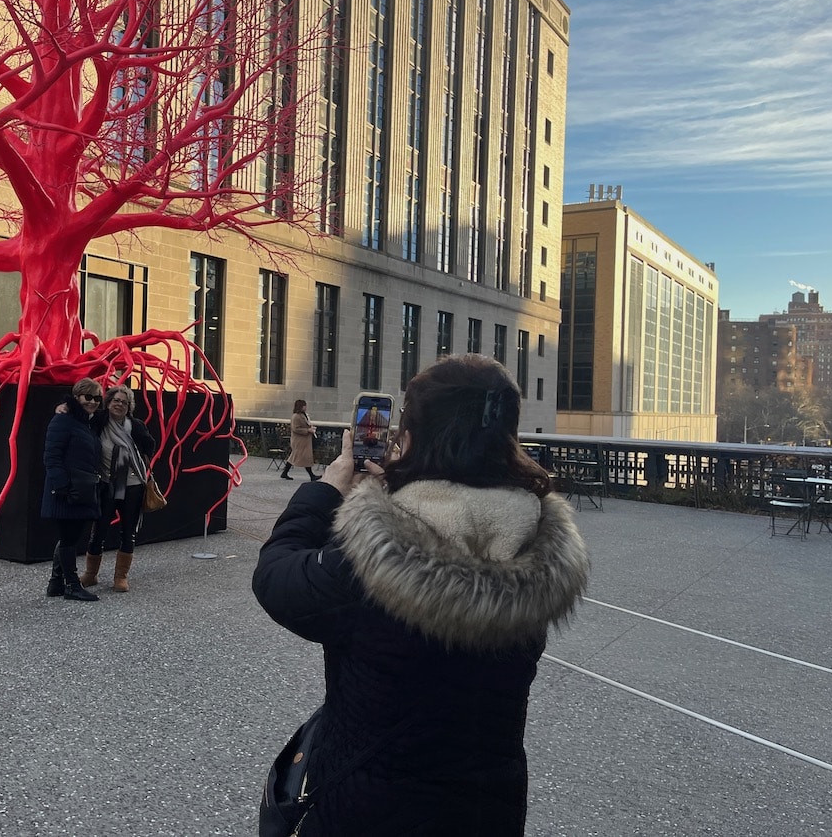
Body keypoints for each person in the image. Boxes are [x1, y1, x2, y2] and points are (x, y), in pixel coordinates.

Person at [252, 355, 589, 835]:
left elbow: (276, 576)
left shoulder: (373, 561)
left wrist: (328, 489)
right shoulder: (533, 548)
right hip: (487, 810)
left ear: (407, 439)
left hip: (368, 808)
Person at [81, 385, 157, 592]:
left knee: (128, 532)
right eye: (116, 400)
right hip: (106, 485)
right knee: (99, 530)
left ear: (129, 406)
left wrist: (140, 460)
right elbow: (78, 413)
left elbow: (150, 444)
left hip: (133, 486)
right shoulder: (99, 421)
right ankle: (90, 574)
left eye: (124, 402)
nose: (119, 404)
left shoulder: (136, 426)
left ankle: (121, 576)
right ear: (108, 402)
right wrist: (62, 406)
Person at [41, 378, 105, 602]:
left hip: (80, 489)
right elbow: (51, 456)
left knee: (70, 536)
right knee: (69, 538)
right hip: (68, 490)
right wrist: (63, 487)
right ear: (77, 397)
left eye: (97, 398)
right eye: (88, 397)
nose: (93, 402)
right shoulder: (64, 421)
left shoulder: (86, 422)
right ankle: (71, 585)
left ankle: (56, 582)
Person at [280, 399, 319, 482]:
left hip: (303, 440)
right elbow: (295, 429)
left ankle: (285, 472)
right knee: (304, 456)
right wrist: (307, 430)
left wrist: (310, 428)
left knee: (295, 456)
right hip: (299, 441)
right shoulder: (296, 416)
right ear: (301, 406)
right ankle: (311, 475)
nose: (306, 407)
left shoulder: (303, 415)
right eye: (304, 405)